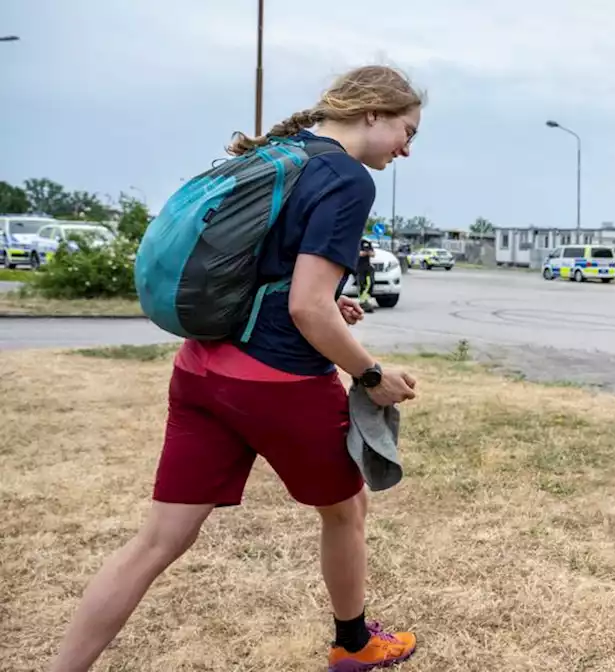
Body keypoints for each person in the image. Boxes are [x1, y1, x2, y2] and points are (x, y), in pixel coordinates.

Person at [48, 65, 426, 672]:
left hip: (200, 370)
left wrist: (328, 304)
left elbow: (275, 278)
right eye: (406, 131)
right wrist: (371, 374)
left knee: (157, 541)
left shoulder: (283, 153)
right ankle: (354, 646)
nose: (407, 147)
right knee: (346, 511)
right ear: (373, 113)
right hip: (277, 382)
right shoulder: (348, 178)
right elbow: (307, 307)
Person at [356, 237, 377, 310]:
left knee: (371, 282)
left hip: (367, 266)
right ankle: (363, 301)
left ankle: (365, 299)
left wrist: (369, 253)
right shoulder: (355, 241)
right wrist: (363, 253)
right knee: (361, 283)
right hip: (358, 266)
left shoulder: (367, 242)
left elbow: (373, 254)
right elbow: (357, 253)